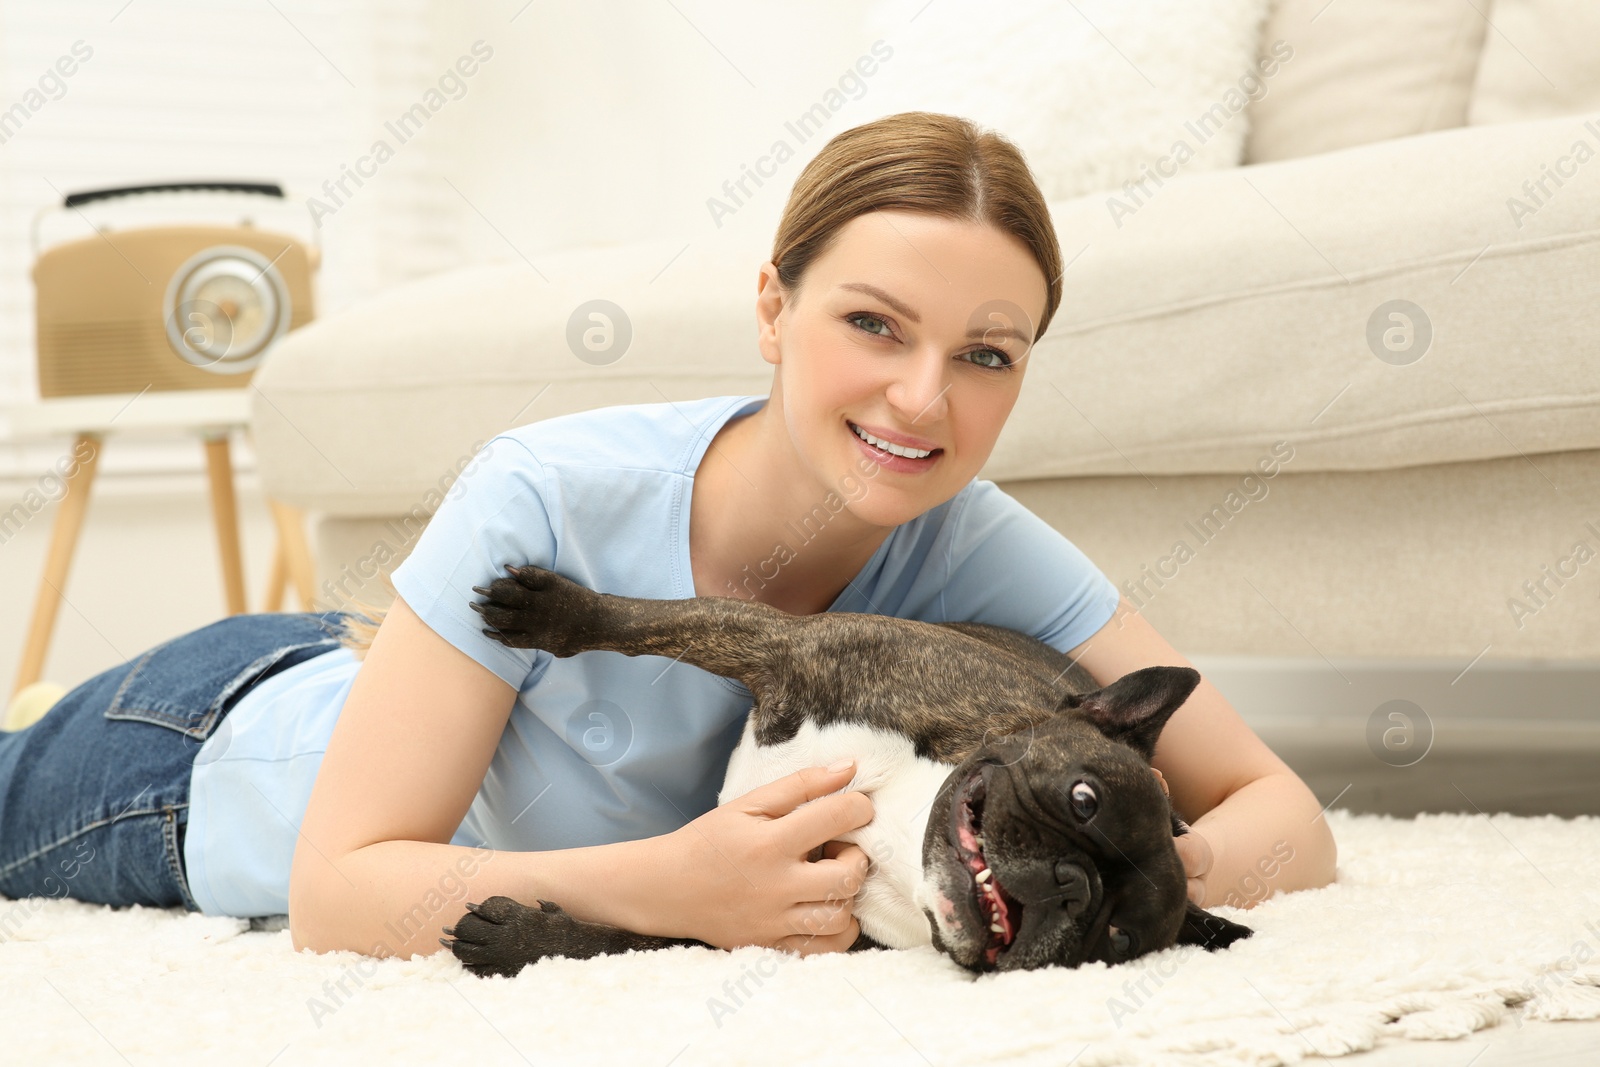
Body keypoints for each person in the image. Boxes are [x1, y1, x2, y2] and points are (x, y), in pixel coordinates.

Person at [0, 111, 1335, 962]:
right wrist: (674, 891)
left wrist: (1125, 878)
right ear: (773, 309)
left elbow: (1286, 816)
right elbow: (337, 895)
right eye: (873, 324)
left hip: (377, 671)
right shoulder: (547, 490)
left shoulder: (974, 539)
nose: (924, 399)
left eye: (986, 354)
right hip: (198, 763)